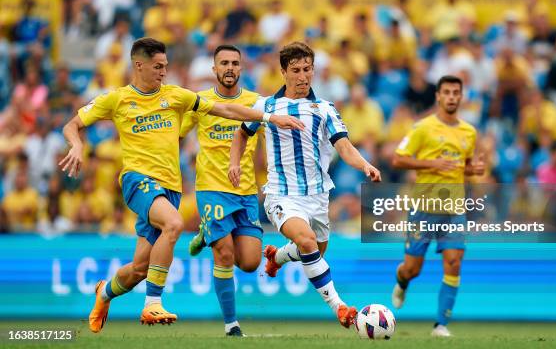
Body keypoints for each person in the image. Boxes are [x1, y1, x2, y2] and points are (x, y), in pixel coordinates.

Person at [59, 37, 303, 333]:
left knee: (139, 269)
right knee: (174, 224)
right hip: (138, 181)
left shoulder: (177, 96)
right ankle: (152, 304)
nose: (163, 72)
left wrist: (268, 117)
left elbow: (226, 110)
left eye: (165, 66)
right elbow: (72, 125)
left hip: (170, 189)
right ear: (139, 65)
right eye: (158, 67)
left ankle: (105, 292)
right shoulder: (117, 99)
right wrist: (76, 146)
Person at [229, 42, 381, 329]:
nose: (303, 76)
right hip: (281, 194)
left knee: (315, 251)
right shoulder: (266, 106)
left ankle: (278, 255)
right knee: (308, 241)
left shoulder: (324, 109)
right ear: (283, 71)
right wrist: (234, 162)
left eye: (307, 70)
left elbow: (344, 146)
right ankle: (340, 307)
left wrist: (365, 165)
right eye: (296, 70)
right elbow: (241, 133)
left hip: (318, 195)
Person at [390, 75, 485, 337]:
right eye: (447, 92)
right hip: (423, 208)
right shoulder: (422, 128)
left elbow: (461, 167)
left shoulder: (469, 131)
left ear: (461, 96)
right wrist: (431, 164)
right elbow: (398, 159)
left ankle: (440, 325)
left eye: (456, 92)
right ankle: (401, 281)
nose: (452, 97)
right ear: (438, 96)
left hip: (454, 209)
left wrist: (473, 169)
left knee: (454, 262)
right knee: (412, 269)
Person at [180, 45, 262, 337]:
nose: (229, 68)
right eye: (224, 63)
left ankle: (205, 233)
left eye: (235, 63)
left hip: (246, 191)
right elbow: (176, 131)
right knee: (224, 254)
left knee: (251, 263)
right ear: (214, 69)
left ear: (242, 69)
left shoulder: (256, 102)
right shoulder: (200, 102)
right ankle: (231, 325)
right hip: (211, 188)